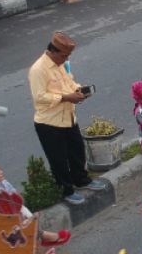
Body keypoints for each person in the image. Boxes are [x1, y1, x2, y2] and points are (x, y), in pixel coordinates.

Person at [28, 32, 93, 204]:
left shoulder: (62, 65)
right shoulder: (38, 69)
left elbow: (70, 83)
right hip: (49, 122)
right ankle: (66, 190)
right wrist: (66, 97)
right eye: (63, 56)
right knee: (58, 159)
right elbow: (40, 96)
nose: (65, 59)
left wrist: (79, 91)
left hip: (69, 117)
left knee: (77, 151)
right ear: (53, 51)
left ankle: (81, 179)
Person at [0, 159, 68, 244]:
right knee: (12, 233)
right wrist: (18, 224)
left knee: (23, 216)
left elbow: (16, 202)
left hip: (4, 216)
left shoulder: (2, 183)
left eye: (0, 169)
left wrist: (26, 219)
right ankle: (41, 237)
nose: (1, 172)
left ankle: (39, 235)